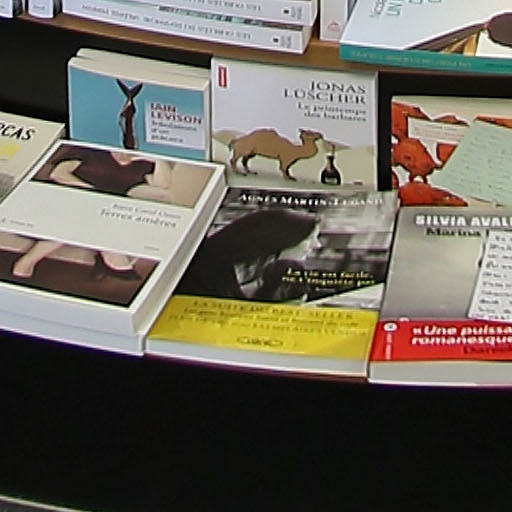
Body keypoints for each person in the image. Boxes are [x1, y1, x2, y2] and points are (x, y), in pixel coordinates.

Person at [176, 208, 322, 302]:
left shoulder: (265, 270)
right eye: (309, 238)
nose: (317, 245)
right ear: (281, 239)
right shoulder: (207, 271)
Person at [37, 145, 177, 203]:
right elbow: (58, 173)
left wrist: (158, 159)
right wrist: (91, 190)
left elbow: (163, 185)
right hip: (79, 197)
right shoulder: (93, 152)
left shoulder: (144, 165)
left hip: (114, 207)